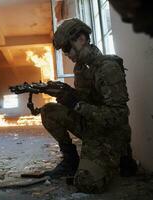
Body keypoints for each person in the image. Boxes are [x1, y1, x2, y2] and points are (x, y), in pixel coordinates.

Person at [41, 18, 137, 193]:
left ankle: (122, 155)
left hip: (110, 134)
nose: (67, 54)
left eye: (67, 48)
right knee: (49, 111)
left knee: (87, 183)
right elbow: (87, 99)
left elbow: (118, 116)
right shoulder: (81, 68)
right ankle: (71, 161)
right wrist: (66, 93)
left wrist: (75, 103)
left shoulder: (108, 67)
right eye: (63, 51)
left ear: (81, 39)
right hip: (92, 126)